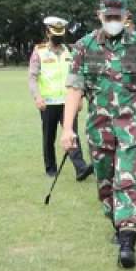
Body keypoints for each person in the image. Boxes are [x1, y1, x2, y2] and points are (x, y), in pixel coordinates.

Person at [60, 0, 136, 269]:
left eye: (117, 17)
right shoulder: (84, 46)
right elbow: (74, 89)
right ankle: (118, 224)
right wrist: (67, 128)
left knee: (128, 178)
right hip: (99, 126)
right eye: (108, 16)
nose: (112, 21)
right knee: (106, 181)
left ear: (126, 16)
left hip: (135, 124)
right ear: (99, 15)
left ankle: (128, 239)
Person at [28, 16, 92, 180]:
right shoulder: (39, 51)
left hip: (67, 102)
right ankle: (51, 168)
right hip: (47, 103)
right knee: (49, 136)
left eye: (60, 32)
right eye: (55, 33)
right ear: (48, 32)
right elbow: (32, 77)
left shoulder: (69, 51)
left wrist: (80, 98)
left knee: (72, 134)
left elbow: (78, 76)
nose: (58, 36)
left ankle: (80, 168)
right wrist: (37, 97)